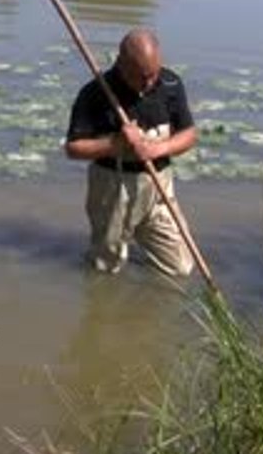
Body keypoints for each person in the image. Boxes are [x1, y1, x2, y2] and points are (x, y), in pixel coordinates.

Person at [63, 28, 198, 277]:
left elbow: (189, 134)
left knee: (180, 268)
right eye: (141, 76)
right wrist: (116, 143)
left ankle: (138, 238)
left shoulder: (170, 84)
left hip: (159, 185)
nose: (148, 83)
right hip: (113, 187)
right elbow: (73, 148)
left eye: (153, 74)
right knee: (106, 269)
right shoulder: (95, 93)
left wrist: (159, 148)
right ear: (121, 65)